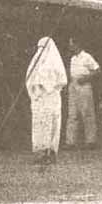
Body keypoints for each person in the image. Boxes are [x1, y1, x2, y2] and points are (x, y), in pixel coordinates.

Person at [25, 36, 67, 164]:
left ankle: (50, 152)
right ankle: (40, 152)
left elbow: (62, 80)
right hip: (39, 98)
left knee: (52, 123)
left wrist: (47, 86)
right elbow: (29, 78)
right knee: (39, 124)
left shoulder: (55, 63)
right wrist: (35, 89)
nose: (40, 50)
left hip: (51, 97)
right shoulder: (36, 62)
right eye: (39, 48)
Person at [65, 36, 100, 150]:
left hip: (84, 85)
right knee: (72, 114)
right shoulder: (72, 58)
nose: (70, 46)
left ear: (77, 44)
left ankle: (91, 141)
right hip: (73, 85)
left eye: (71, 44)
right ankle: (70, 142)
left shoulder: (87, 56)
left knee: (87, 112)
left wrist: (86, 78)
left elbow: (97, 70)